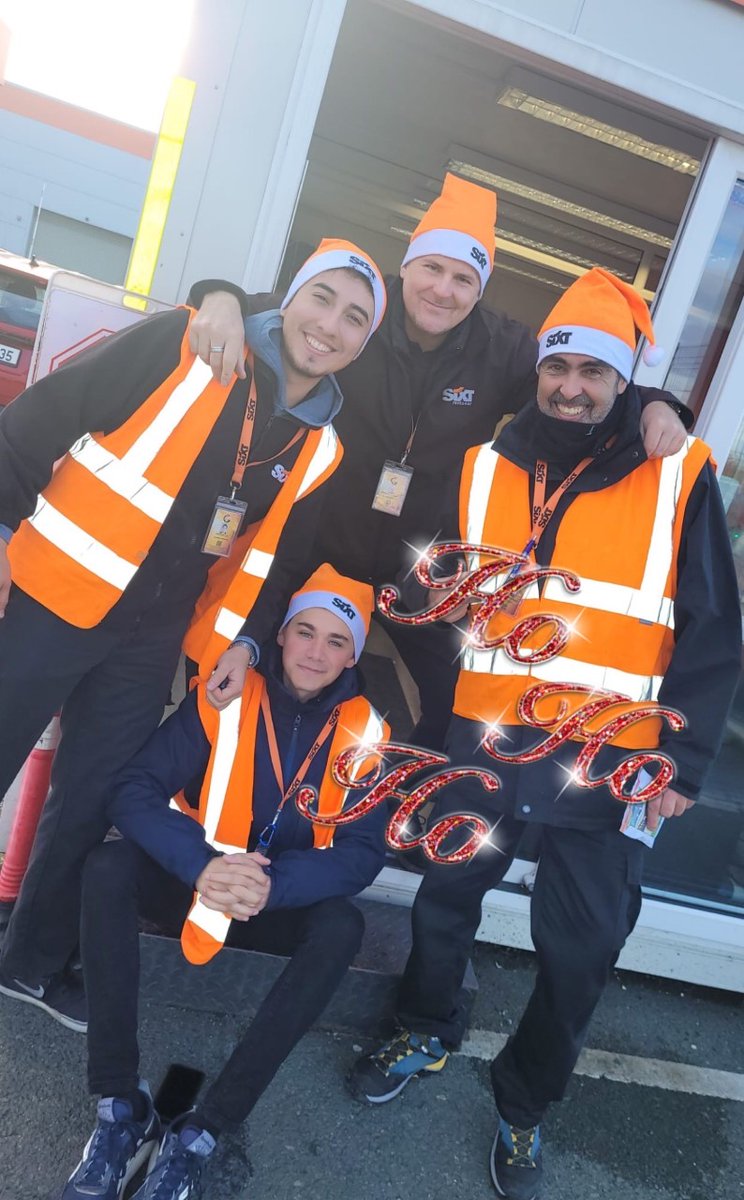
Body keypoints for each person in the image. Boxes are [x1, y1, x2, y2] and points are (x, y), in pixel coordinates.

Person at [345, 269, 741, 1199]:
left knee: (583, 947)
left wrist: (682, 762)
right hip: (488, 744)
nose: (573, 385)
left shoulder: (676, 469)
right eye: (560, 364)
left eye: (596, 373)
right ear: (540, 370)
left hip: (611, 763)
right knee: (445, 901)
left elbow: (715, 629)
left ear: (623, 382)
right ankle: (425, 1029)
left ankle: (523, 1108)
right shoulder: (485, 466)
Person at [0, 239, 386, 1029]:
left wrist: (243, 642)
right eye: (322, 300)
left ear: (363, 343)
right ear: (290, 299)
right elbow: (38, 421)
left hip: (150, 636)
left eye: (355, 318)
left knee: (88, 799)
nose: (330, 327)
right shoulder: (189, 340)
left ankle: (29, 963)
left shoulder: (320, 447)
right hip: (53, 594)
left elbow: (274, 563)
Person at [190, 173, 690, 749]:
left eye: (463, 278)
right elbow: (270, 312)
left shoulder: (504, 349)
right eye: (432, 268)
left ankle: (414, 803)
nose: (443, 290)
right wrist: (219, 296)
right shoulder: (361, 316)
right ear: (406, 267)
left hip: (424, 567)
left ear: (481, 289)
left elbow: (574, 383)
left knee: (454, 697)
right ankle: (256, 777)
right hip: (319, 542)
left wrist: (655, 404)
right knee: (269, 663)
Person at [52, 565, 388, 1200]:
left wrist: (274, 885)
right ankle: (120, 1105)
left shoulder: (369, 733)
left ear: (353, 657)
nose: (316, 652)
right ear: (281, 637)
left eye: (337, 641)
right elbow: (135, 790)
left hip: (271, 896)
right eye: (305, 632)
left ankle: (204, 1130)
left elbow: (363, 852)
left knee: (342, 927)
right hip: (199, 876)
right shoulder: (226, 693)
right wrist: (202, 864)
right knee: (108, 869)